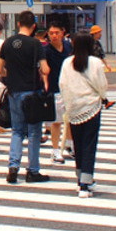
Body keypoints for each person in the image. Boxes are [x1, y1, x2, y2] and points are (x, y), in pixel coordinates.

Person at [0, 10, 51, 184]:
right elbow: (46, 69)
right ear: (34, 26)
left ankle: (13, 166)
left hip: (13, 92)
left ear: (18, 24)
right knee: (34, 132)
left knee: (17, 131)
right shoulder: (35, 44)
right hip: (31, 93)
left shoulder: (7, 43)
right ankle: (33, 171)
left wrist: (11, 73)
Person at [58, 32, 108, 198]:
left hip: (73, 107)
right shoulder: (95, 62)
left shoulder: (67, 62)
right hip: (91, 106)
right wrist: (103, 97)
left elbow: (62, 84)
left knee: (77, 145)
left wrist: (68, 102)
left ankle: (80, 178)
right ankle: (86, 183)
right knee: (89, 144)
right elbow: (101, 85)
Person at [42, 18, 71, 163]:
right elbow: (44, 71)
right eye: (51, 33)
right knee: (57, 121)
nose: (54, 36)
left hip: (70, 88)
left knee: (71, 119)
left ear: (63, 33)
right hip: (54, 89)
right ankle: (55, 150)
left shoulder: (68, 47)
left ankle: (69, 145)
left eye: (56, 33)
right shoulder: (46, 50)